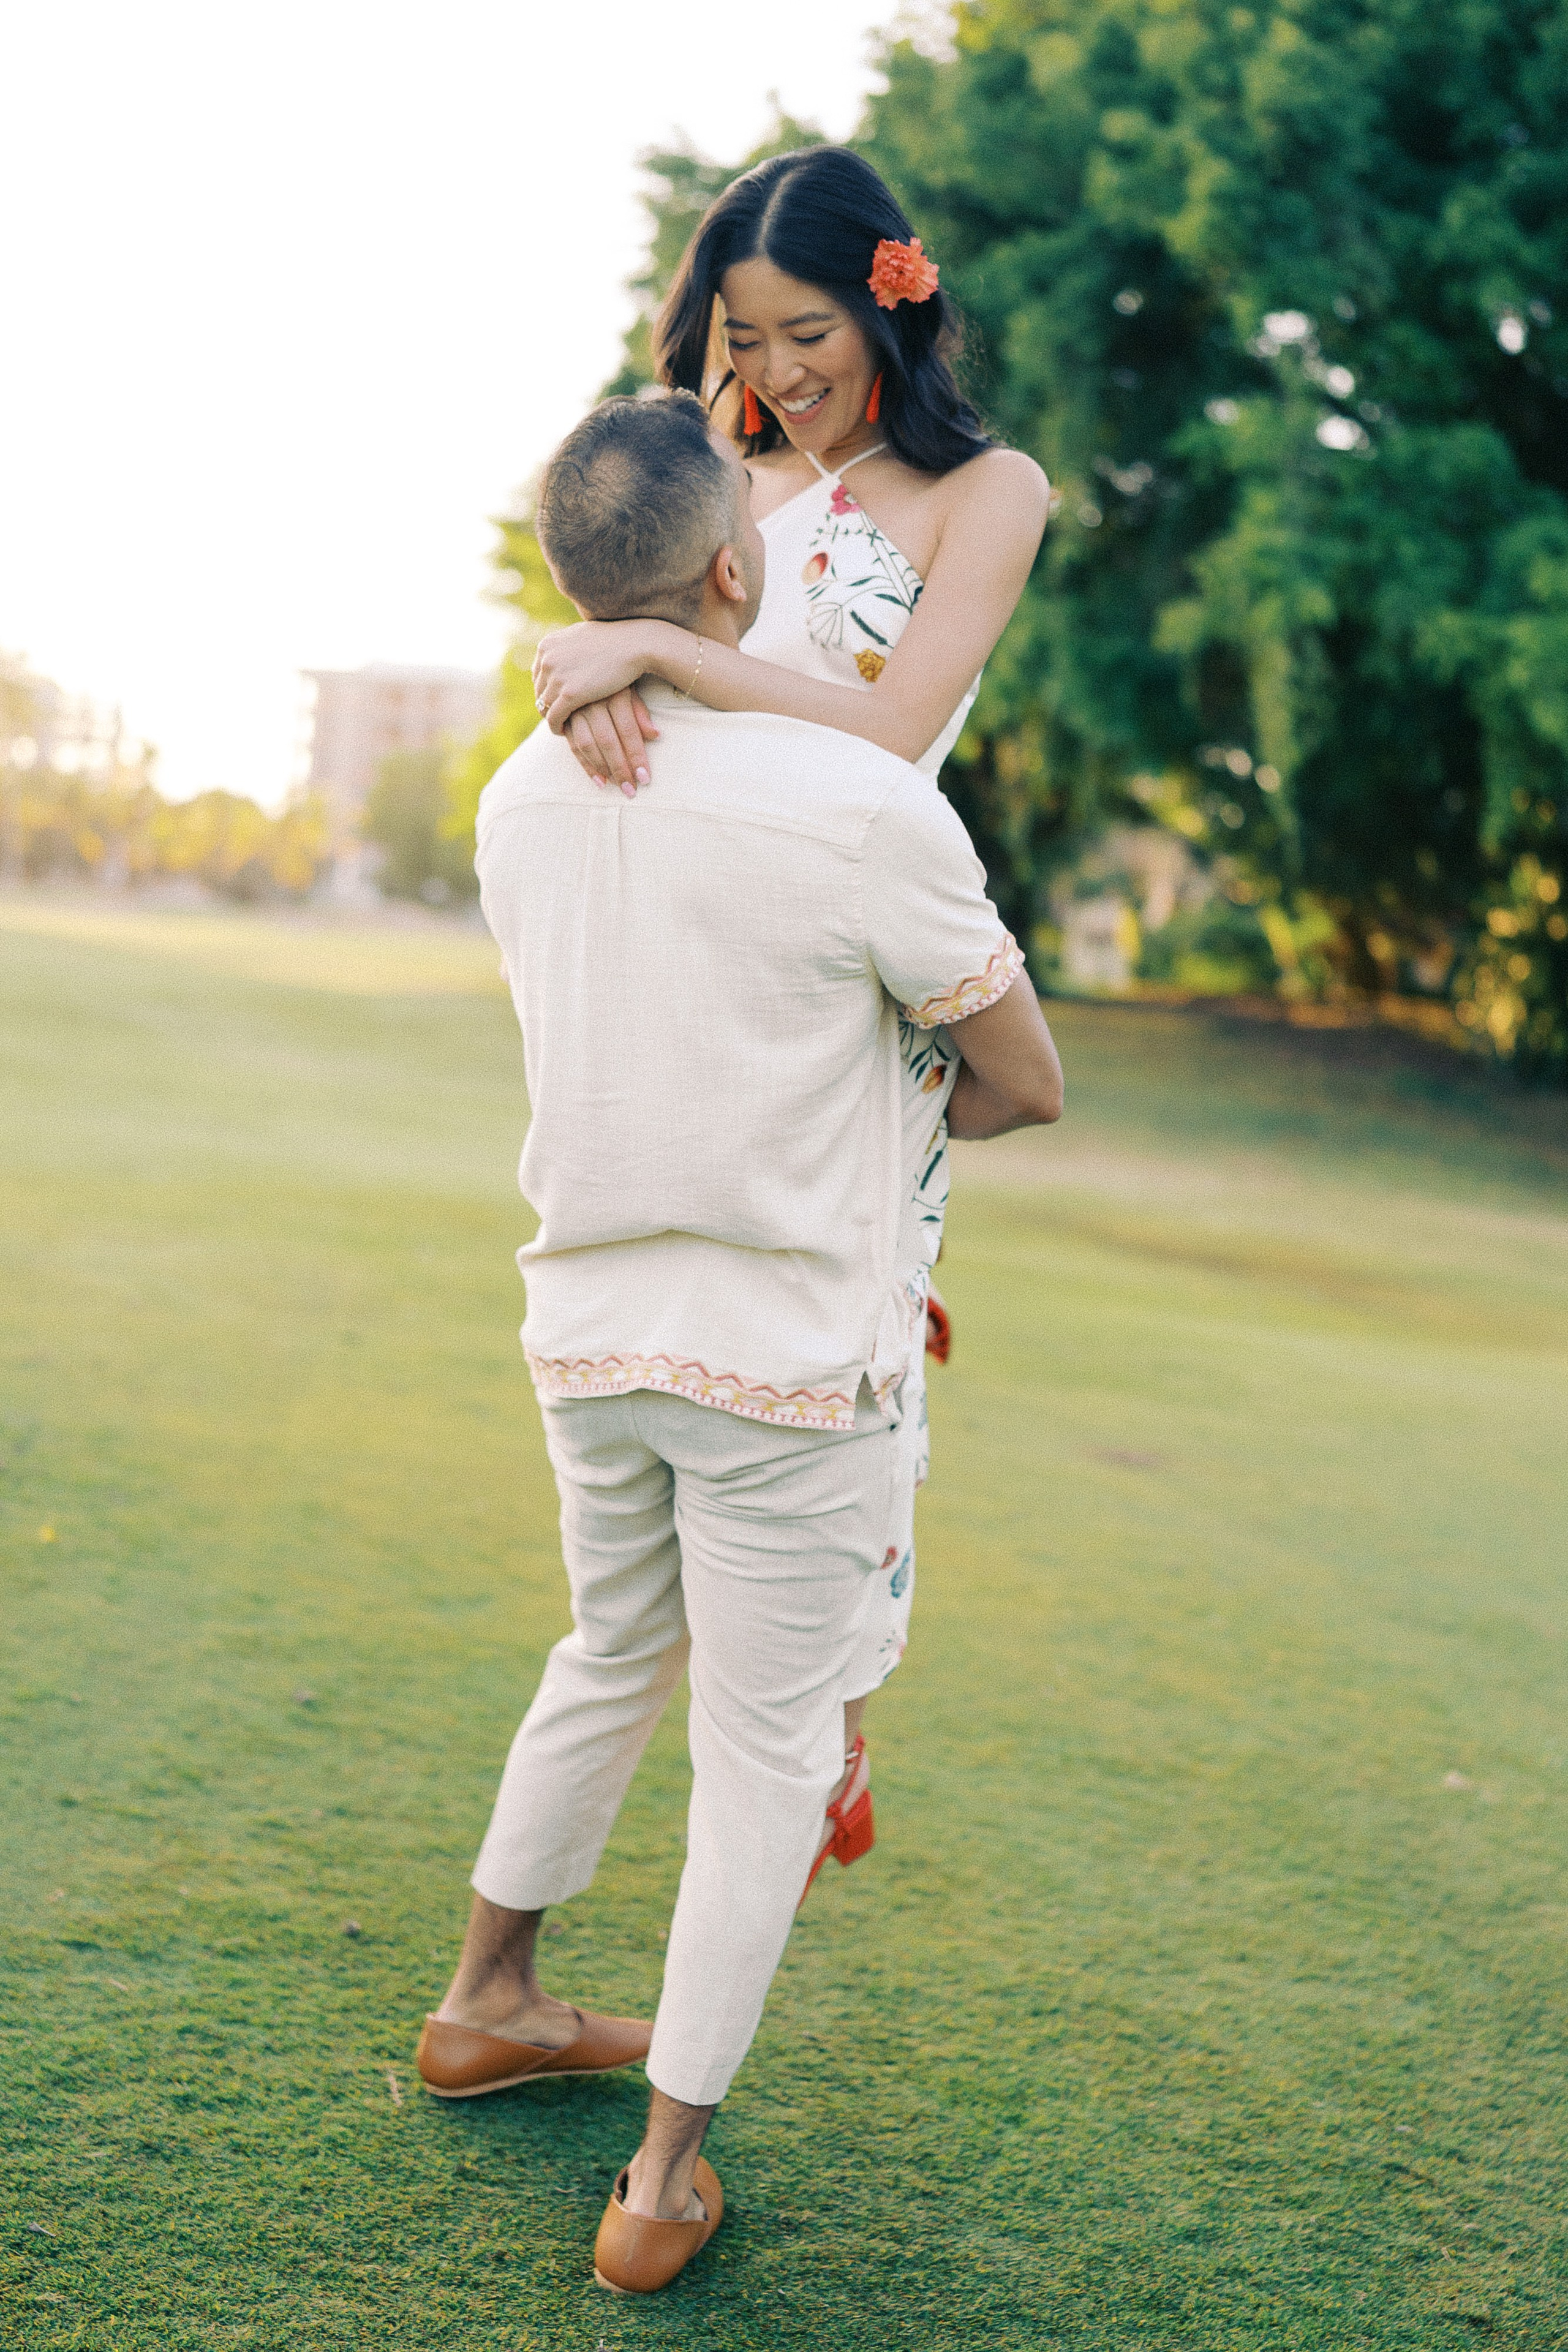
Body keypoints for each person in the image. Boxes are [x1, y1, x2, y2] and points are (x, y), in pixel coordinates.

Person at [415, 390, 1063, 2294]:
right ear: (734, 566)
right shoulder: (865, 800)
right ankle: (661, 2183)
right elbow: (1021, 1081)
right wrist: (876, 1088)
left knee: (615, 1647)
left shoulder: (518, 796)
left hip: (592, 1329)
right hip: (787, 1351)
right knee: (769, 1750)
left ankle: (488, 2001)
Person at [529, 144, 1052, 1883]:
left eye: (806, 328)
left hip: (867, 953)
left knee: (853, 1345)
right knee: (710, 1382)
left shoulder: (991, 496)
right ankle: (778, 1716)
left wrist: (664, 663)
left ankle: (824, 1712)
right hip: (706, 966)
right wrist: (587, 672)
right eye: (741, 339)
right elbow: (631, 605)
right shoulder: (719, 468)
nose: (772, 373)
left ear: (893, 291)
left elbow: (898, 726)